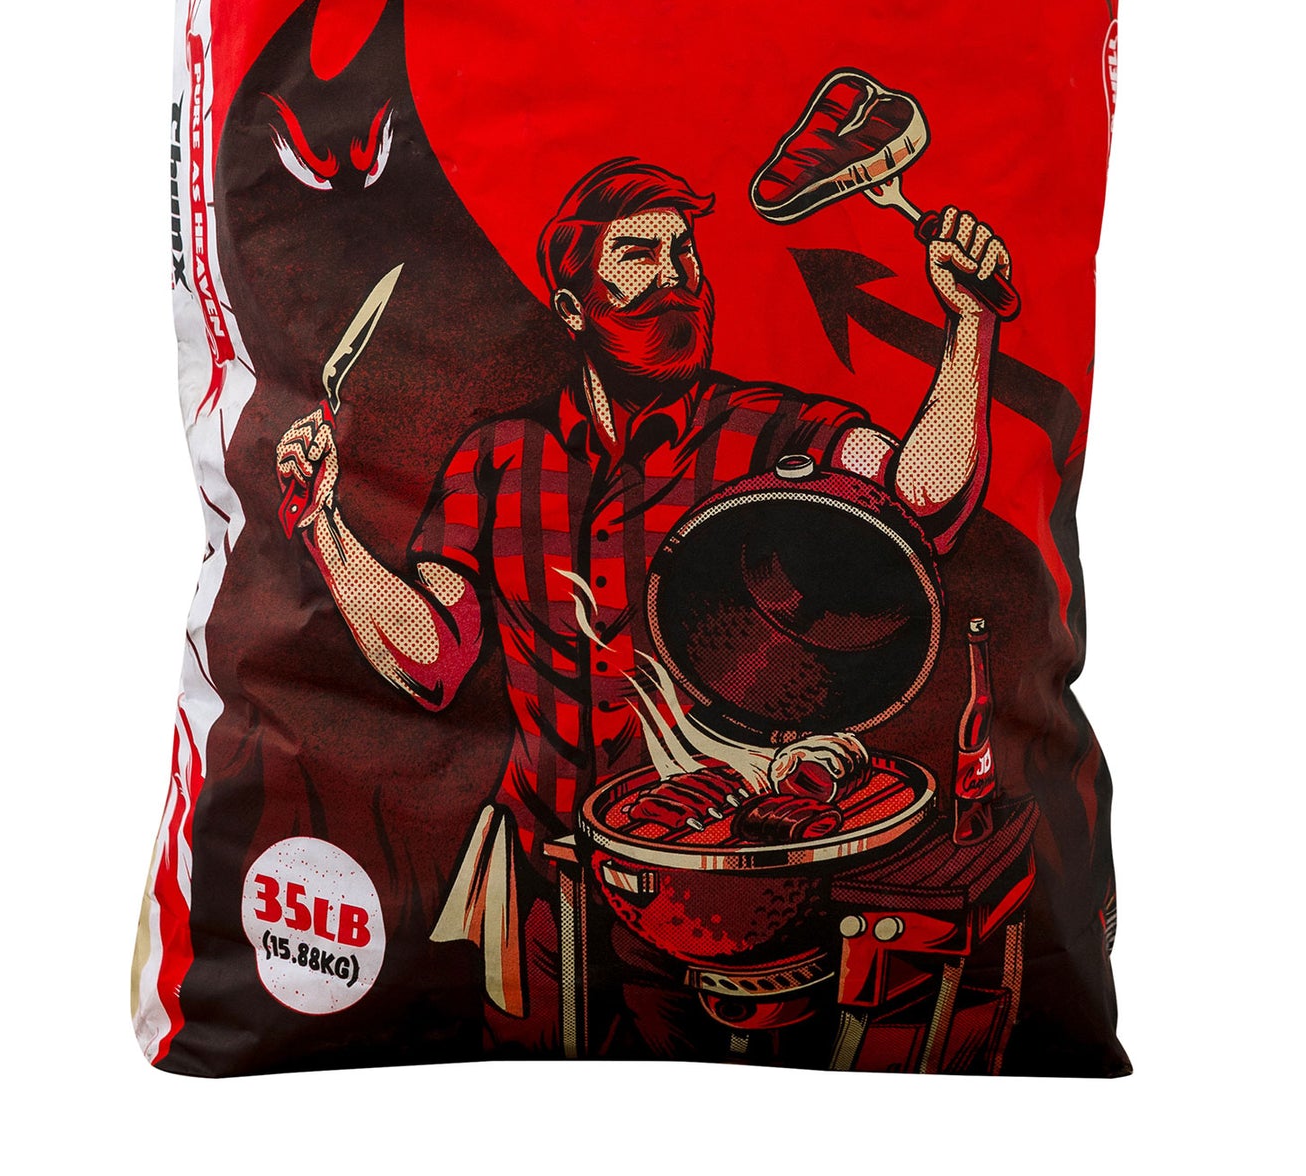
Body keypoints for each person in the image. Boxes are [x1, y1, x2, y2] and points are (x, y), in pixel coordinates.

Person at [274, 155, 1011, 1054]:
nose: (678, 276)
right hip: (543, 891)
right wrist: (326, 526)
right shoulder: (497, 459)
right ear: (572, 307)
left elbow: (920, 496)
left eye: (685, 252)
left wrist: (968, 322)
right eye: (640, 255)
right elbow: (433, 655)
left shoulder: (768, 430)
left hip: (726, 898)